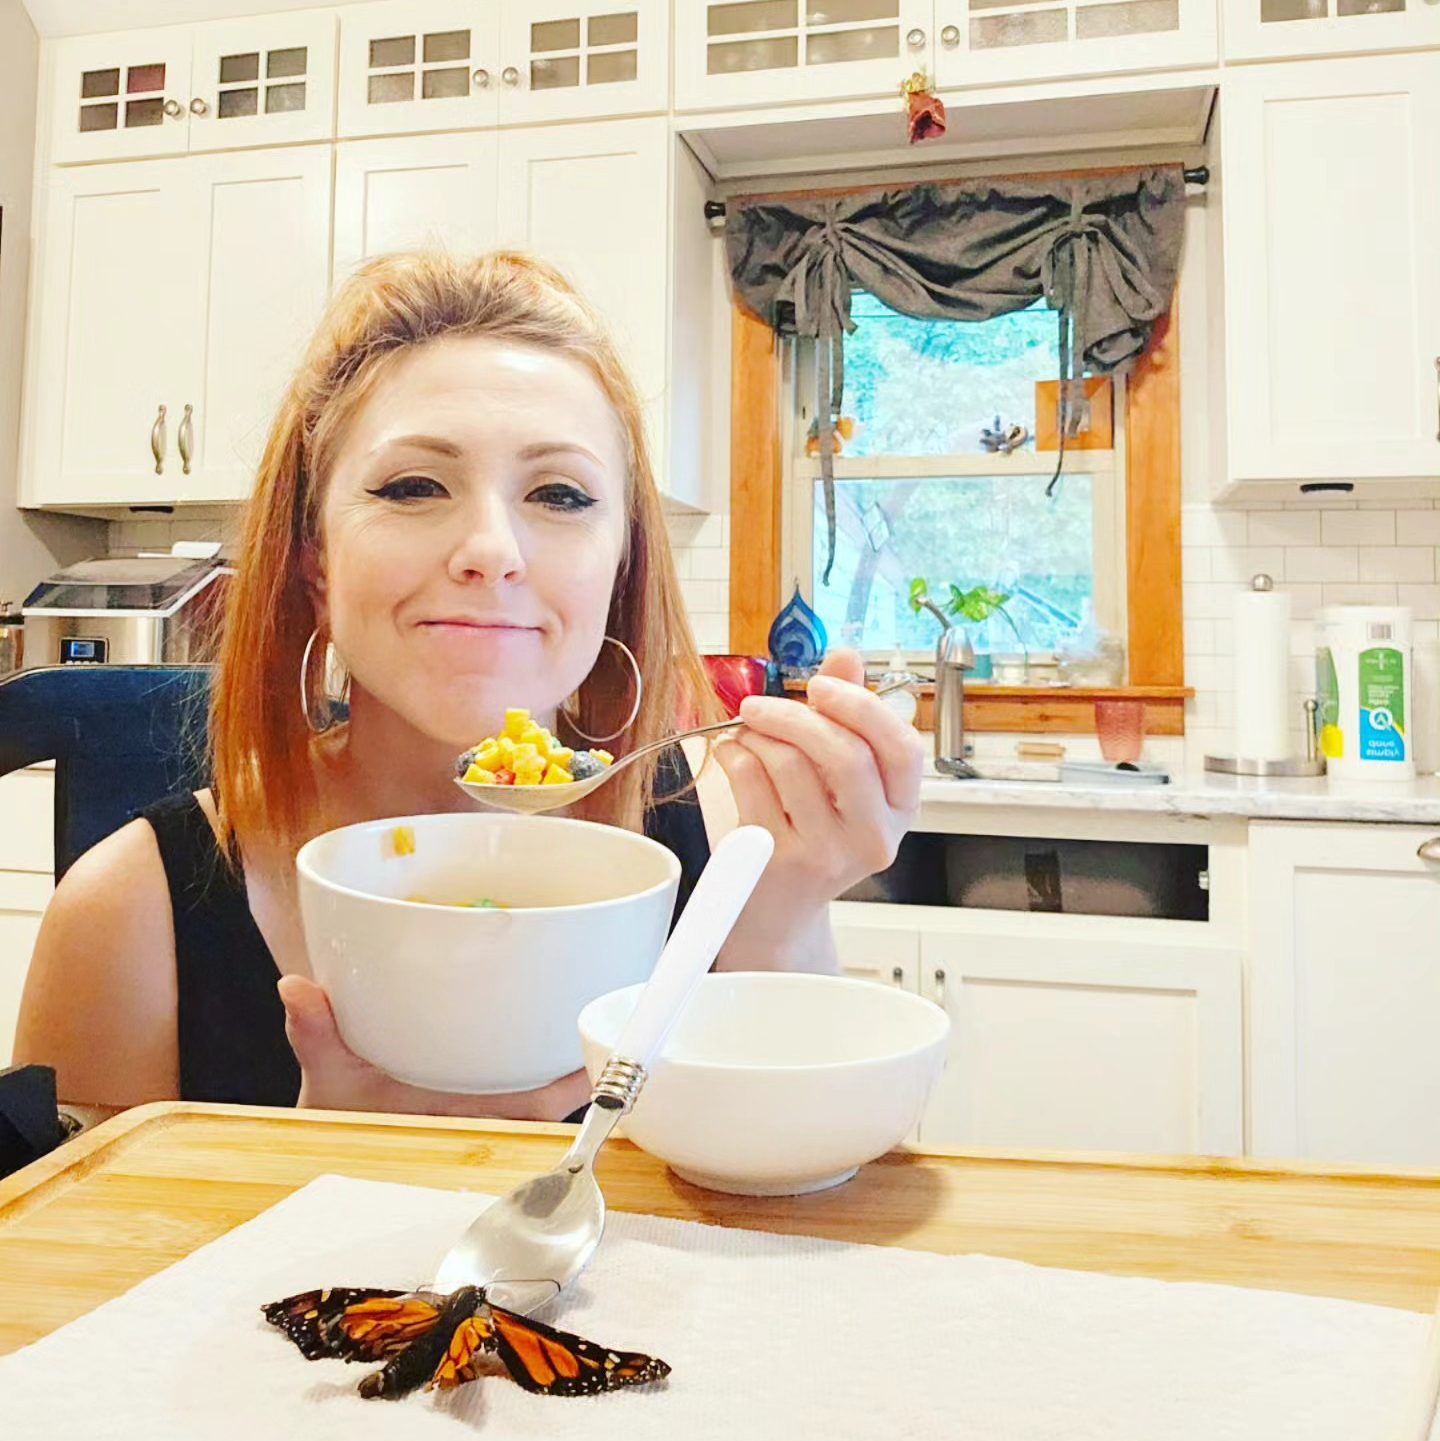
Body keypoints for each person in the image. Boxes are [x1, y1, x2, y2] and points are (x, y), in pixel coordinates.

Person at [15, 251, 924, 1127]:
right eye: (413, 485)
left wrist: (785, 926)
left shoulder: (732, 854)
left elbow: (808, 1261)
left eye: (561, 495)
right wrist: (302, 1164)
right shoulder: (130, 912)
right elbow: (68, 1276)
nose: (492, 549)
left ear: (621, 568)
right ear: (315, 563)